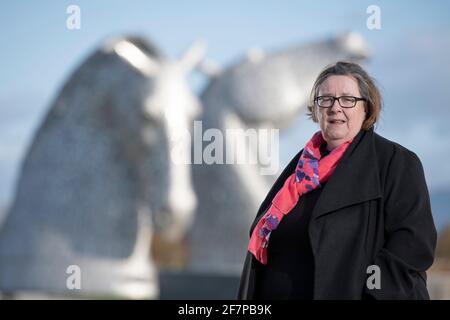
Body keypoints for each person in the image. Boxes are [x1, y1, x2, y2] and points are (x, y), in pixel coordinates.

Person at [237, 61, 437, 300]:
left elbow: (413, 245)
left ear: (366, 108)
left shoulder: (395, 162)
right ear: (316, 109)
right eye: (326, 99)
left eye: (347, 99)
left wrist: (372, 294)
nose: (335, 107)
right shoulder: (299, 169)